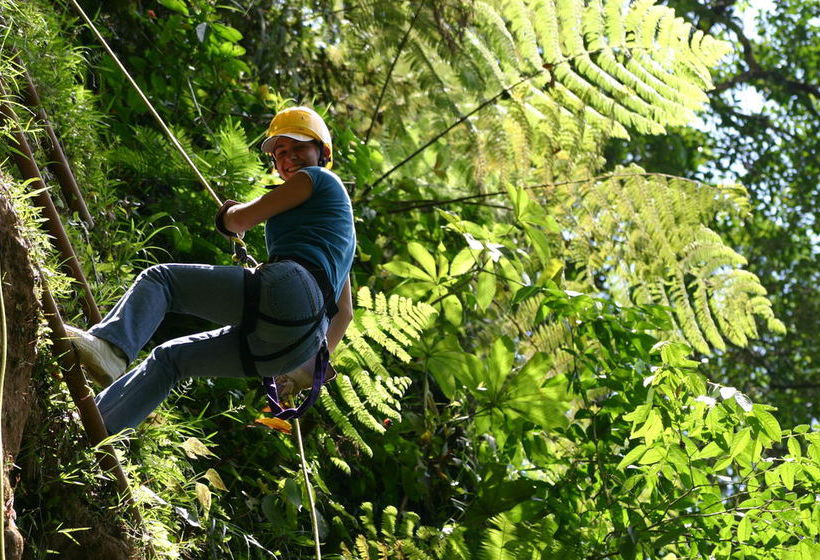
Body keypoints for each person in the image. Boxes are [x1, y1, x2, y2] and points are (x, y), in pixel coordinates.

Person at [65, 106, 355, 434]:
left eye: (299, 147)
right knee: (171, 358)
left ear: (322, 152)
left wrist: (228, 215)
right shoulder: (341, 237)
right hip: (296, 344)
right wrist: (305, 367)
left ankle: (111, 348)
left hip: (291, 291)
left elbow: (241, 219)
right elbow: (344, 313)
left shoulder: (318, 179)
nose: (289, 158)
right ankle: (92, 430)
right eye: (281, 152)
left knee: (162, 281)